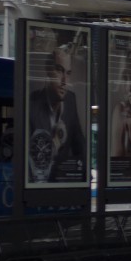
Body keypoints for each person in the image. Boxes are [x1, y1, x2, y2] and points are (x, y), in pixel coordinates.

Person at [28, 44, 86, 183]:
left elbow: (81, 147)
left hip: (64, 186)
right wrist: (55, 143)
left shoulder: (70, 100)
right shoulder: (32, 103)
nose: (65, 81)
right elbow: (31, 160)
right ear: (48, 70)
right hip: (39, 188)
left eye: (68, 73)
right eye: (59, 71)